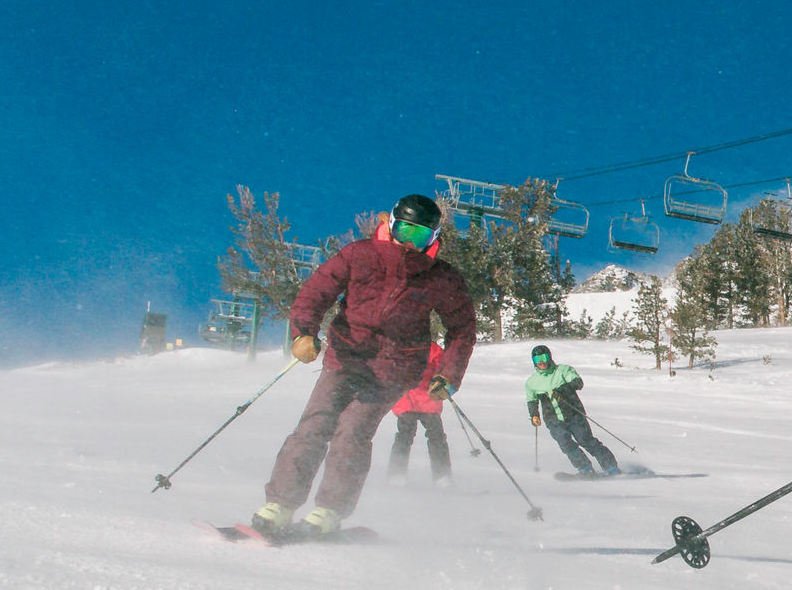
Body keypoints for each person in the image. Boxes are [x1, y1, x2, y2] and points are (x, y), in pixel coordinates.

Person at [246, 194, 477, 539]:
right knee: (314, 424)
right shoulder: (359, 255)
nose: (411, 243)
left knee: (352, 430)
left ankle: (329, 511)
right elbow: (315, 292)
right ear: (391, 225)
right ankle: (280, 503)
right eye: (405, 231)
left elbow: (462, 329)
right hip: (346, 356)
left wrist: (449, 373)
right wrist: (303, 333)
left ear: (434, 237)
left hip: (394, 367)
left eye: (421, 236)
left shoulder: (440, 277)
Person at [526, 345, 619, 477]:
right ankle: (584, 468)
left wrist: (563, 390)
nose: (541, 362)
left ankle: (611, 467)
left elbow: (578, 383)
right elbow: (532, 400)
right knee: (566, 444)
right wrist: (534, 415)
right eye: (537, 359)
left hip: (574, 415)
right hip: (553, 419)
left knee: (586, 440)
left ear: (550, 357)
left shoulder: (563, 370)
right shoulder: (532, 382)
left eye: (544, 357)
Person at [384, 342, 453, 486]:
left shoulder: (401, 346)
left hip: (414, 401)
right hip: (421, 401)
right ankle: (442, 476)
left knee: (405, 436)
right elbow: (445, 371)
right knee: (435, 438)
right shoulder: (433, 349)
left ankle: (397, 474)